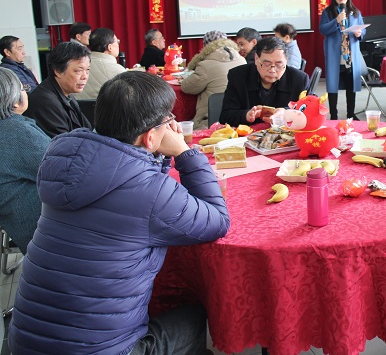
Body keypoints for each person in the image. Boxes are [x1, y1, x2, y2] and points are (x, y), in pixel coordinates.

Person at [9, 71, 230, 355]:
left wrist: (157, 155)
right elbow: (218, 221)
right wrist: (185, 153)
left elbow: (131, 179)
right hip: (104, 351)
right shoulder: (151, 193)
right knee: (194, 313)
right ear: (150, 137)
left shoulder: (63, 158)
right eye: (167, 121)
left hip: (24, 342)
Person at [0, 68, 50, 255]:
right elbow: (59, 167)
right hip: (43, 233)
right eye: (23, 88)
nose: (26, 92)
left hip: (17, 224)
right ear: (14, 100)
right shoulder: (16, 131)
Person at [220, 36, 308, 126]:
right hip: (248, 132)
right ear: (256, 59)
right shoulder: (238, 76)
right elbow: (225, 116)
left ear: (286, 61)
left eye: (279, 64)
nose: (272, 70)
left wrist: (286, 112)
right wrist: (246, 115)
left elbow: (309, 111)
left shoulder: (299, 79)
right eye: (266, 64)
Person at [23, 41, 91, 137]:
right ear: (58, 71)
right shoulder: (45, 102)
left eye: (87, 70)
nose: (85, 76)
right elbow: (64, 142)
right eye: (79, 71)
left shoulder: (66, 93)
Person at [181, 30, 245, 129]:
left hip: (210, 120)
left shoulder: (206, 65)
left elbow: (186, 87)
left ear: (205, 47)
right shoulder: (242, 60)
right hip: (238, 117)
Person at [320, 0, 366, 119]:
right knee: (332, 85)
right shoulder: (328, 12)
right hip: (335, 54)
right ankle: (333, 115)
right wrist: (337, 20)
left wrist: (359, 33)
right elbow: (323, 29)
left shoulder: (355, 12)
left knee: (351, 85)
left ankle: (351, 114)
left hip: (350, 55)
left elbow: (362, 30)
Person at [76, 27, 126, 100]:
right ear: (110, 47)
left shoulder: (77, 65)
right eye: (117, 42)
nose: (118, 45)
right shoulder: (118, 70)